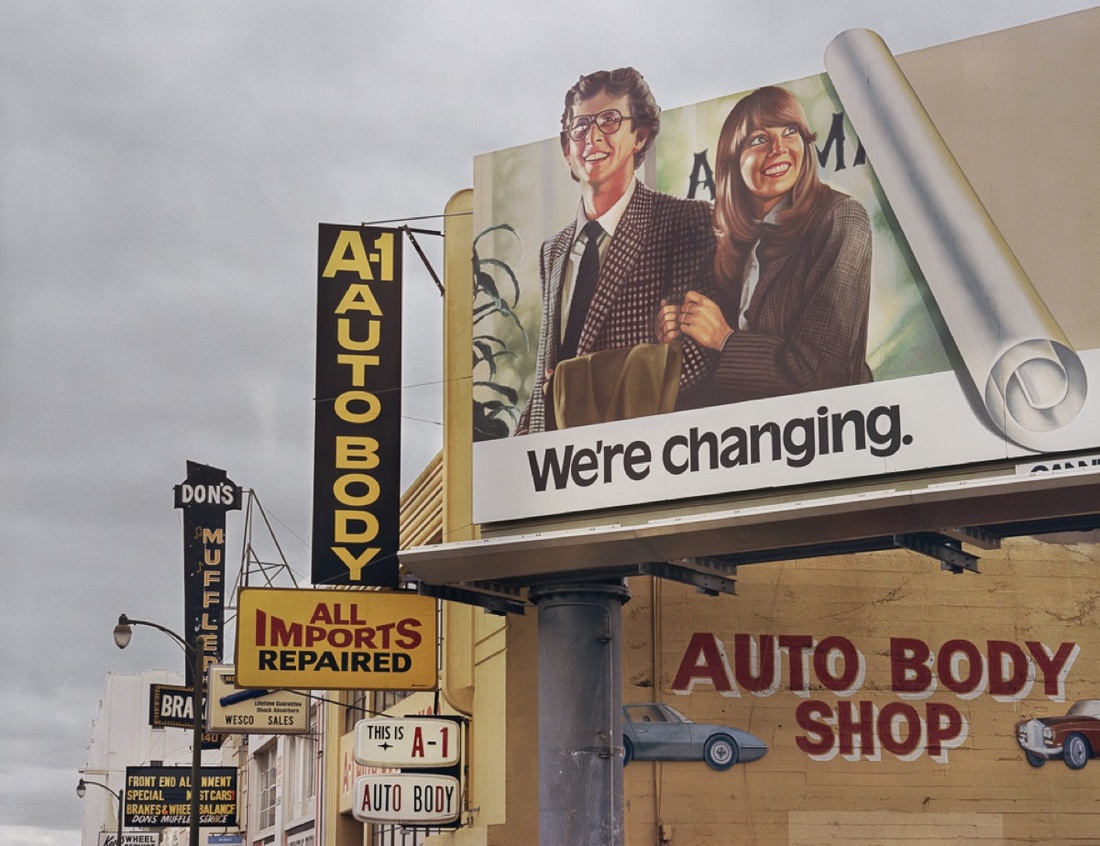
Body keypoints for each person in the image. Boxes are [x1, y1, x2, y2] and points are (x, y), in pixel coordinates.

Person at [515, 67, 715, 435]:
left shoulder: (685, 221)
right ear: (566, 150)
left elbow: (691, 363)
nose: (591, 137)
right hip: (555, 469)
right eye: (580, 126)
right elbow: (547, 374)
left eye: (609, 121)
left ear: (639, 135)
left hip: (639, 456)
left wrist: (570, 388)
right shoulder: (553, 251)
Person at [656, 86, 872, 405]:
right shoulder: (730, 238)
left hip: (828, 430)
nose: (778, 148)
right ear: (732, 162)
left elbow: (823, 373)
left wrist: (726, 340)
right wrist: (672, 327)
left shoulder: (841, 218)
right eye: (759, 139)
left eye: (790, 132)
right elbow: (708, 362)